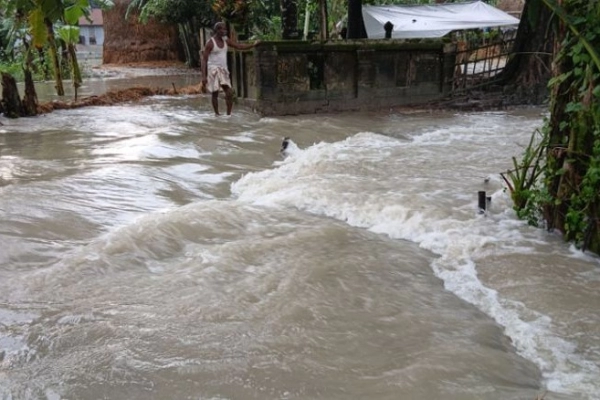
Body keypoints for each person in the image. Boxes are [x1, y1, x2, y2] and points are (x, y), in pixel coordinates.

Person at [201, 22, 257, 116]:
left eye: (225, 29)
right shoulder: (210, 43)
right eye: (222, 29)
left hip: (223, 69)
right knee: (215, 93)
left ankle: (228, 115)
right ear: (217, 30)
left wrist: (253, 45)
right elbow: (204, 60)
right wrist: (203, 76)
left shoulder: (226, 40)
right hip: (213, 69)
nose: (225, 31)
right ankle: (217, 114)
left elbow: (238, 46)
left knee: (229, 92)